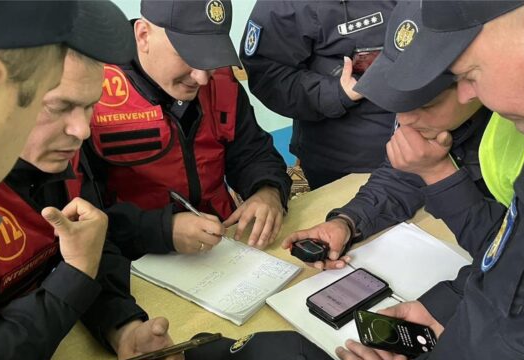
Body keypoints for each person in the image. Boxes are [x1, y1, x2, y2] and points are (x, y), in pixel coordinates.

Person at [335, 0, 524, 360]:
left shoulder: (521, 109)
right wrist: (451, 300)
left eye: (469, 74)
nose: (470, 94)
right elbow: (519, 248)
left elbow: (523, 317)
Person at [0, 1, 131, 360]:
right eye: (52, 102)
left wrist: (121, 320)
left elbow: (93, 237)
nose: (82, 131)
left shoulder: (56, 153)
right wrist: (75, 274)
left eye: (90, 107)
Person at [281, 1, 500, 270]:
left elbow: (516, 259)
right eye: (400, 102)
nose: (404, 120)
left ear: (472, 81)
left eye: (426, 104)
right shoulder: (438, 117)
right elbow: (403, 177)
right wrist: (348, 221)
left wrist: (439, 174)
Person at [84, 0, 292, 260]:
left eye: (210, 58)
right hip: (134, 258)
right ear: (144, 35)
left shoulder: (221, 83)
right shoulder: (91, 93)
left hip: (223, 246)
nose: (202, 78)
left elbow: (252, 153)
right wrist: (162, 229)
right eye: (190, 56)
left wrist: (268, 190)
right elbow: (81, 212)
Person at [239, 0, 398, 189]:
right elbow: (268, 74)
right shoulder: (285, 5)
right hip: (350, 156)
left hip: (423, 134)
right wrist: (336, 93)